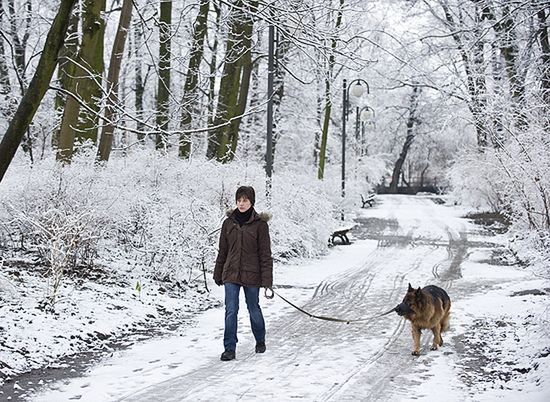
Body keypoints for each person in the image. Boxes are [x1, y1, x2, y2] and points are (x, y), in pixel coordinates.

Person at [213, 185, 273, 361]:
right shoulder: (228, 223)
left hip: (252, 274)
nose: (241, 203)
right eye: (239, 200)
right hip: (231, 273)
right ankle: (229, 348)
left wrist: (267, 279)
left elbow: (265, 254)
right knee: (231, 310)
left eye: (245, 200)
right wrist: (218, 272)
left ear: (251, 202)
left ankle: (260, 339)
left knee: (253, 308)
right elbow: (222, 250)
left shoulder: (260, 225)